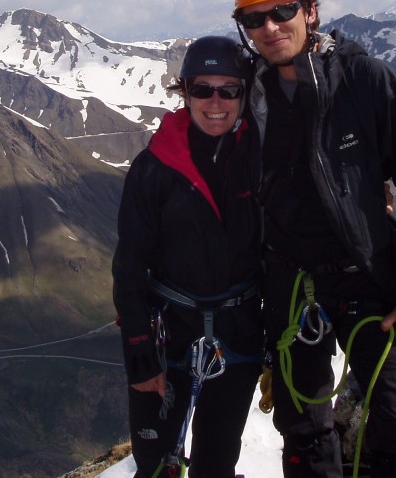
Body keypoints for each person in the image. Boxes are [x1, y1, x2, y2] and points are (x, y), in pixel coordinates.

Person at [230, 0, 396, 478]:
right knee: (304, 433)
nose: (269, 28)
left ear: (310, 11)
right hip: (290, 285)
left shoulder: (365, 82)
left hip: (370, 280)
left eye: (282, 11)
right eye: (253, 19)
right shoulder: (242, 93)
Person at [112, 36, 263, 478]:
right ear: (185, 93)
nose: (215, 102)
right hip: (166, 340)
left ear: (243, 94)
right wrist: (140, 358)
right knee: (155, 465)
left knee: (216, 463)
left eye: (229, 90)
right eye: (202, 89)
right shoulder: (153, 168)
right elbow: (129, 266)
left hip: (240, 337)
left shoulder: (262, 157)